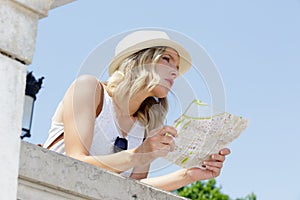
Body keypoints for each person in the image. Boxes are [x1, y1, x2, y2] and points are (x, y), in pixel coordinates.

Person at [43, 30, 230, 191]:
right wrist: (137, 154)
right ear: (139, 61)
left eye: (177, 68)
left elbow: (134, 189)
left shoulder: (146, 124)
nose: (175, 72)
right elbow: (75, 162)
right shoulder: (89, 89)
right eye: (166, 59)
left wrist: (189, 175)